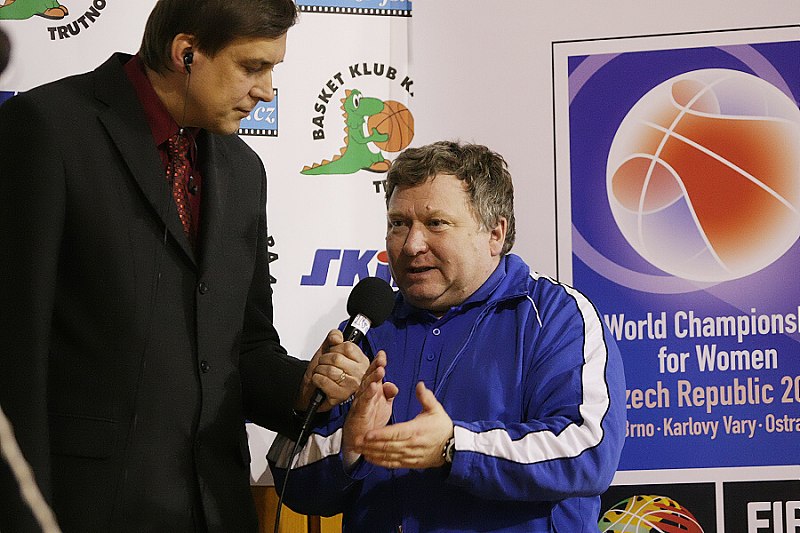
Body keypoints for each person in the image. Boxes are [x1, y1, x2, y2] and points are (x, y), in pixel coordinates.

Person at [0, 1, 369, 531]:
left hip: (218, 511)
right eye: (253, 67)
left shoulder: (244, 170)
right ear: (186, 52)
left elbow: (246, 350)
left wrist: (305, 386)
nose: (267, 91)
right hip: (82, 511)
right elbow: (14, 353)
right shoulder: (47, 128)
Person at [269, 141, 627, 532]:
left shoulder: (555, 316)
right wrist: (351, 444)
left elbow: (587, 451)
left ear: (495, 233)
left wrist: (455, 447)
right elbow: (290, 474)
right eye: (398, 224)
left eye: (436, 223)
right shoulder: (367, 326)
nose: (411, 245)